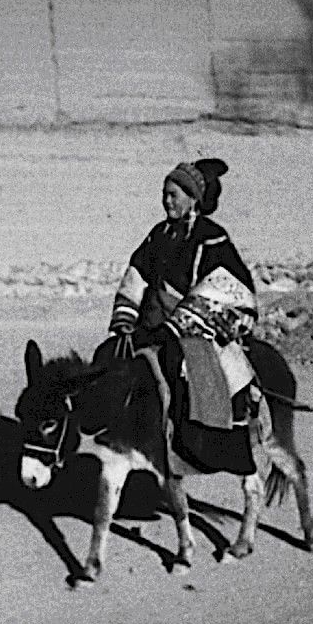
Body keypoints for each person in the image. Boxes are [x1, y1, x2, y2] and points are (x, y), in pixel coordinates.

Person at [107, 158, 259, 444]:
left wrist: (173, 326)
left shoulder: (213, 238)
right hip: (153, 323)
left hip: (199, 325)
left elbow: (223, 286)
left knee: (177, 360)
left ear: (192, 199)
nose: (166, 201)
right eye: (164, 194)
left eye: (173, 195)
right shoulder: (159, 234)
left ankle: (202, 434)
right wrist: (127, 320)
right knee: (111, 354)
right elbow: (138, 272)